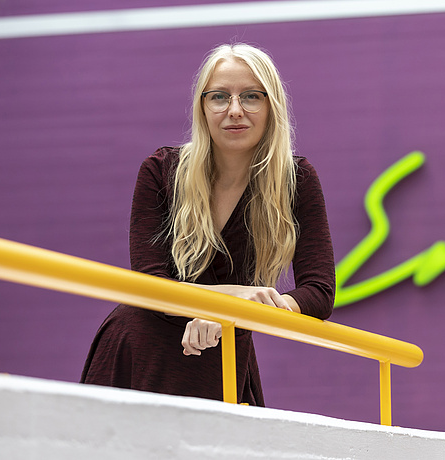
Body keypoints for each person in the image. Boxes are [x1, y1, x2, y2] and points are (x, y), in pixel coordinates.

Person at [81, 43, 335, 406]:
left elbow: (319, 293)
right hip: (139, 351)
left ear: (271, 106)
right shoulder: (161, 171)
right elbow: (152, 286)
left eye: (251, 96)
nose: (234, 111)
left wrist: (239, 311)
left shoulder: (296, 179)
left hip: (223, 351)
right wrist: (237, 299)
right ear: (202, 107)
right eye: (219, 97)